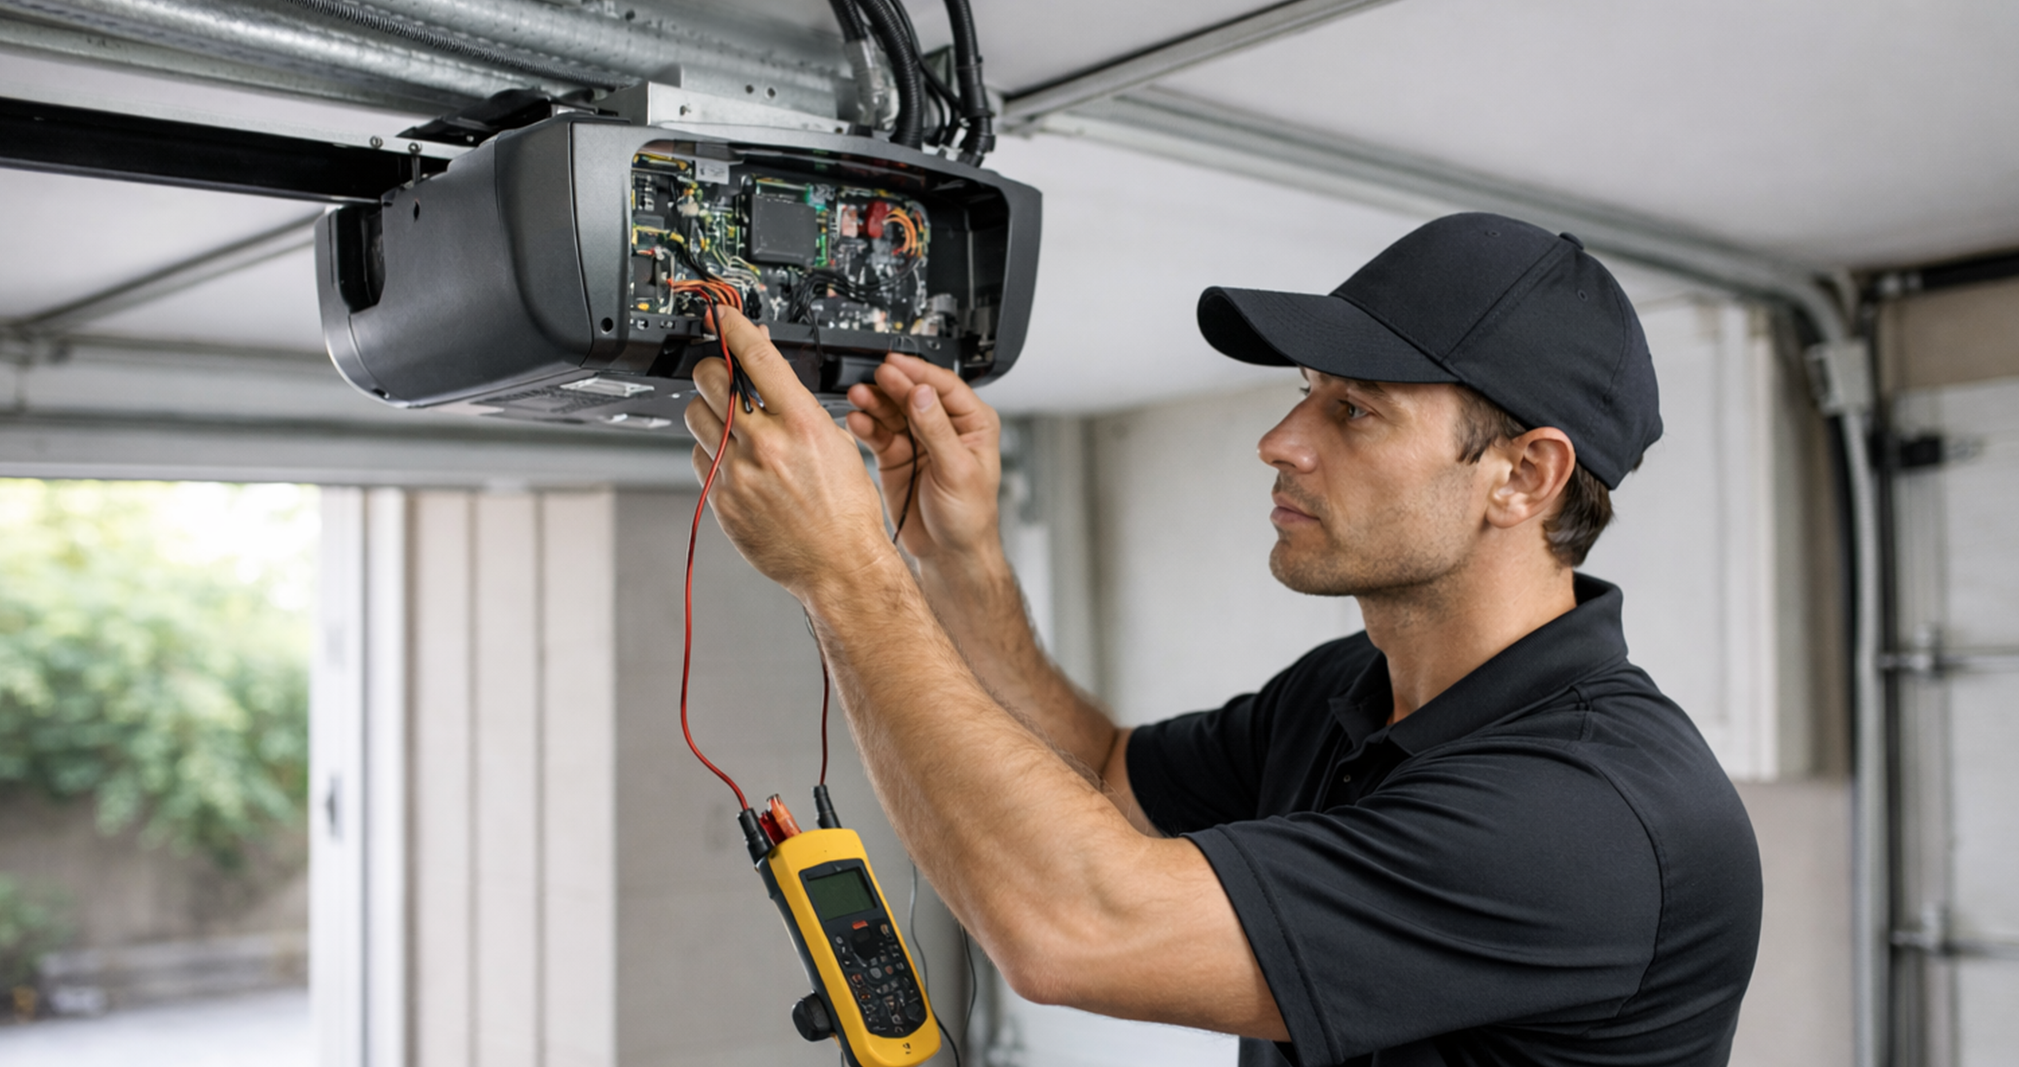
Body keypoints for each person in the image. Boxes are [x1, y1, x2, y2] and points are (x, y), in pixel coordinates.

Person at [682, 212, 1763, 1067]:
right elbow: (1105, 780)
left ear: (1524, 474)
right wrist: (954, 561)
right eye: (1307, 394)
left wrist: (844, 572)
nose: (1278, 441)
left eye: (1356, 410)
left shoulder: (1592, 818)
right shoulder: (1356, 686)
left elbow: (1073, 928)